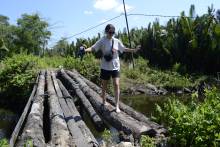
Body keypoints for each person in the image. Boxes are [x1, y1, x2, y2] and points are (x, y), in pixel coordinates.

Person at [85, 24, 140, 113]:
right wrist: (85, 50)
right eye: (110, 32)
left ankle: (117, 105)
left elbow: (124, 49)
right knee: (104, 85)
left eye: (113, 32)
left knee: (116, 84)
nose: (111, 34)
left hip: (115, 67)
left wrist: (134, 50)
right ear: (106, 31)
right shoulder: (102, 40)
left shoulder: (117, 41)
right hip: (105, 67)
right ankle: (103, 101)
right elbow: (93, 48)